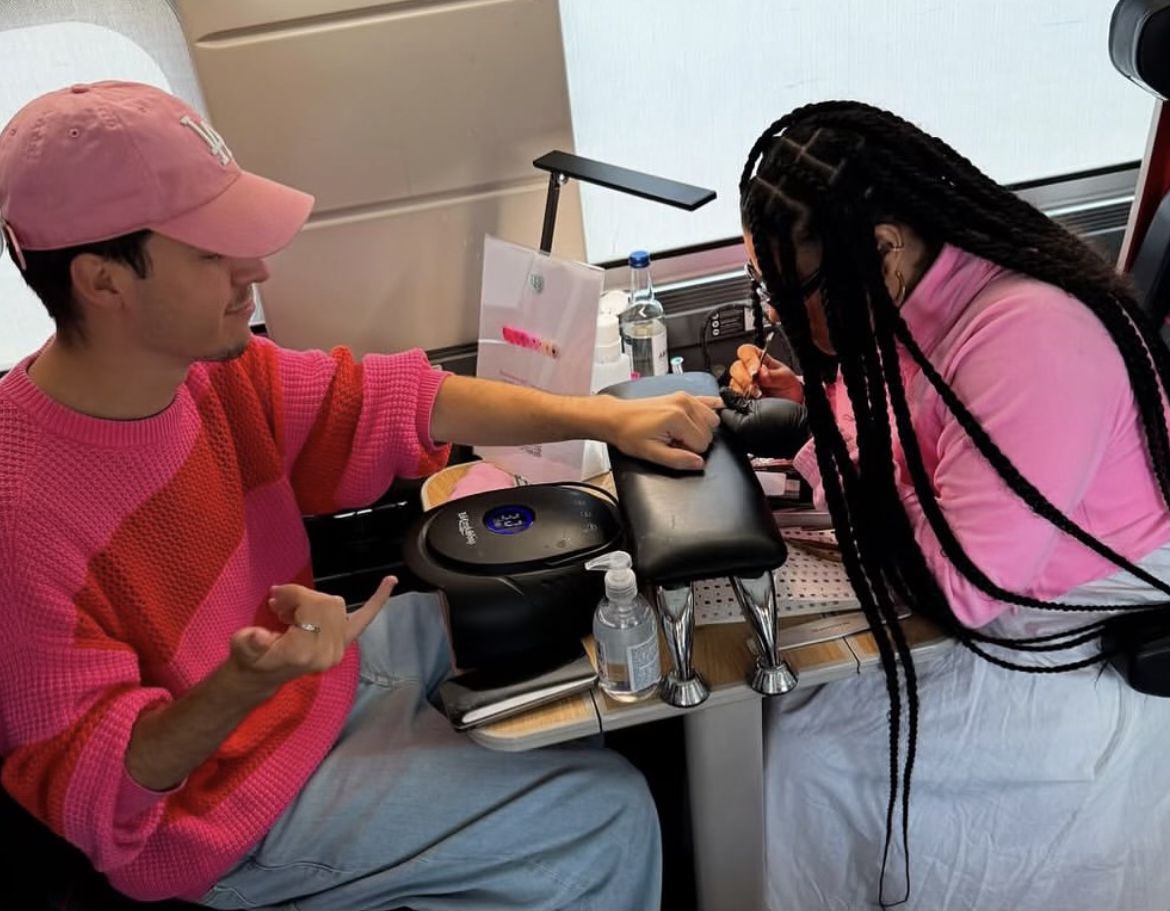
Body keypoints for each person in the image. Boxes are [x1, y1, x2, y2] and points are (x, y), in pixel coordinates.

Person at [0, 81, 720, 911]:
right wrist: (239, 685)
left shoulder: (209, 372)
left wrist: (606, 418)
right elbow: (96, 801)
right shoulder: (22, 512)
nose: (256, 269)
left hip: (319, 676)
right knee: (604, 818)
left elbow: (403, 399)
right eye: (211, 252)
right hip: (227, 809)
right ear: (102, 281)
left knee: (572, 620)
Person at [730, 100, 1170, 911]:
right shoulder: (914, 296)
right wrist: (828, 427)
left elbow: (963, 580)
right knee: (781, 701)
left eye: (794, 290)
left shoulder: (1031, 335)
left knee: (806, 753)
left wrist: (883, 491)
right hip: (1017, 585)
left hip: (1084, 624)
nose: (789, 317)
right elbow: (877, 452)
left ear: (883, 245)